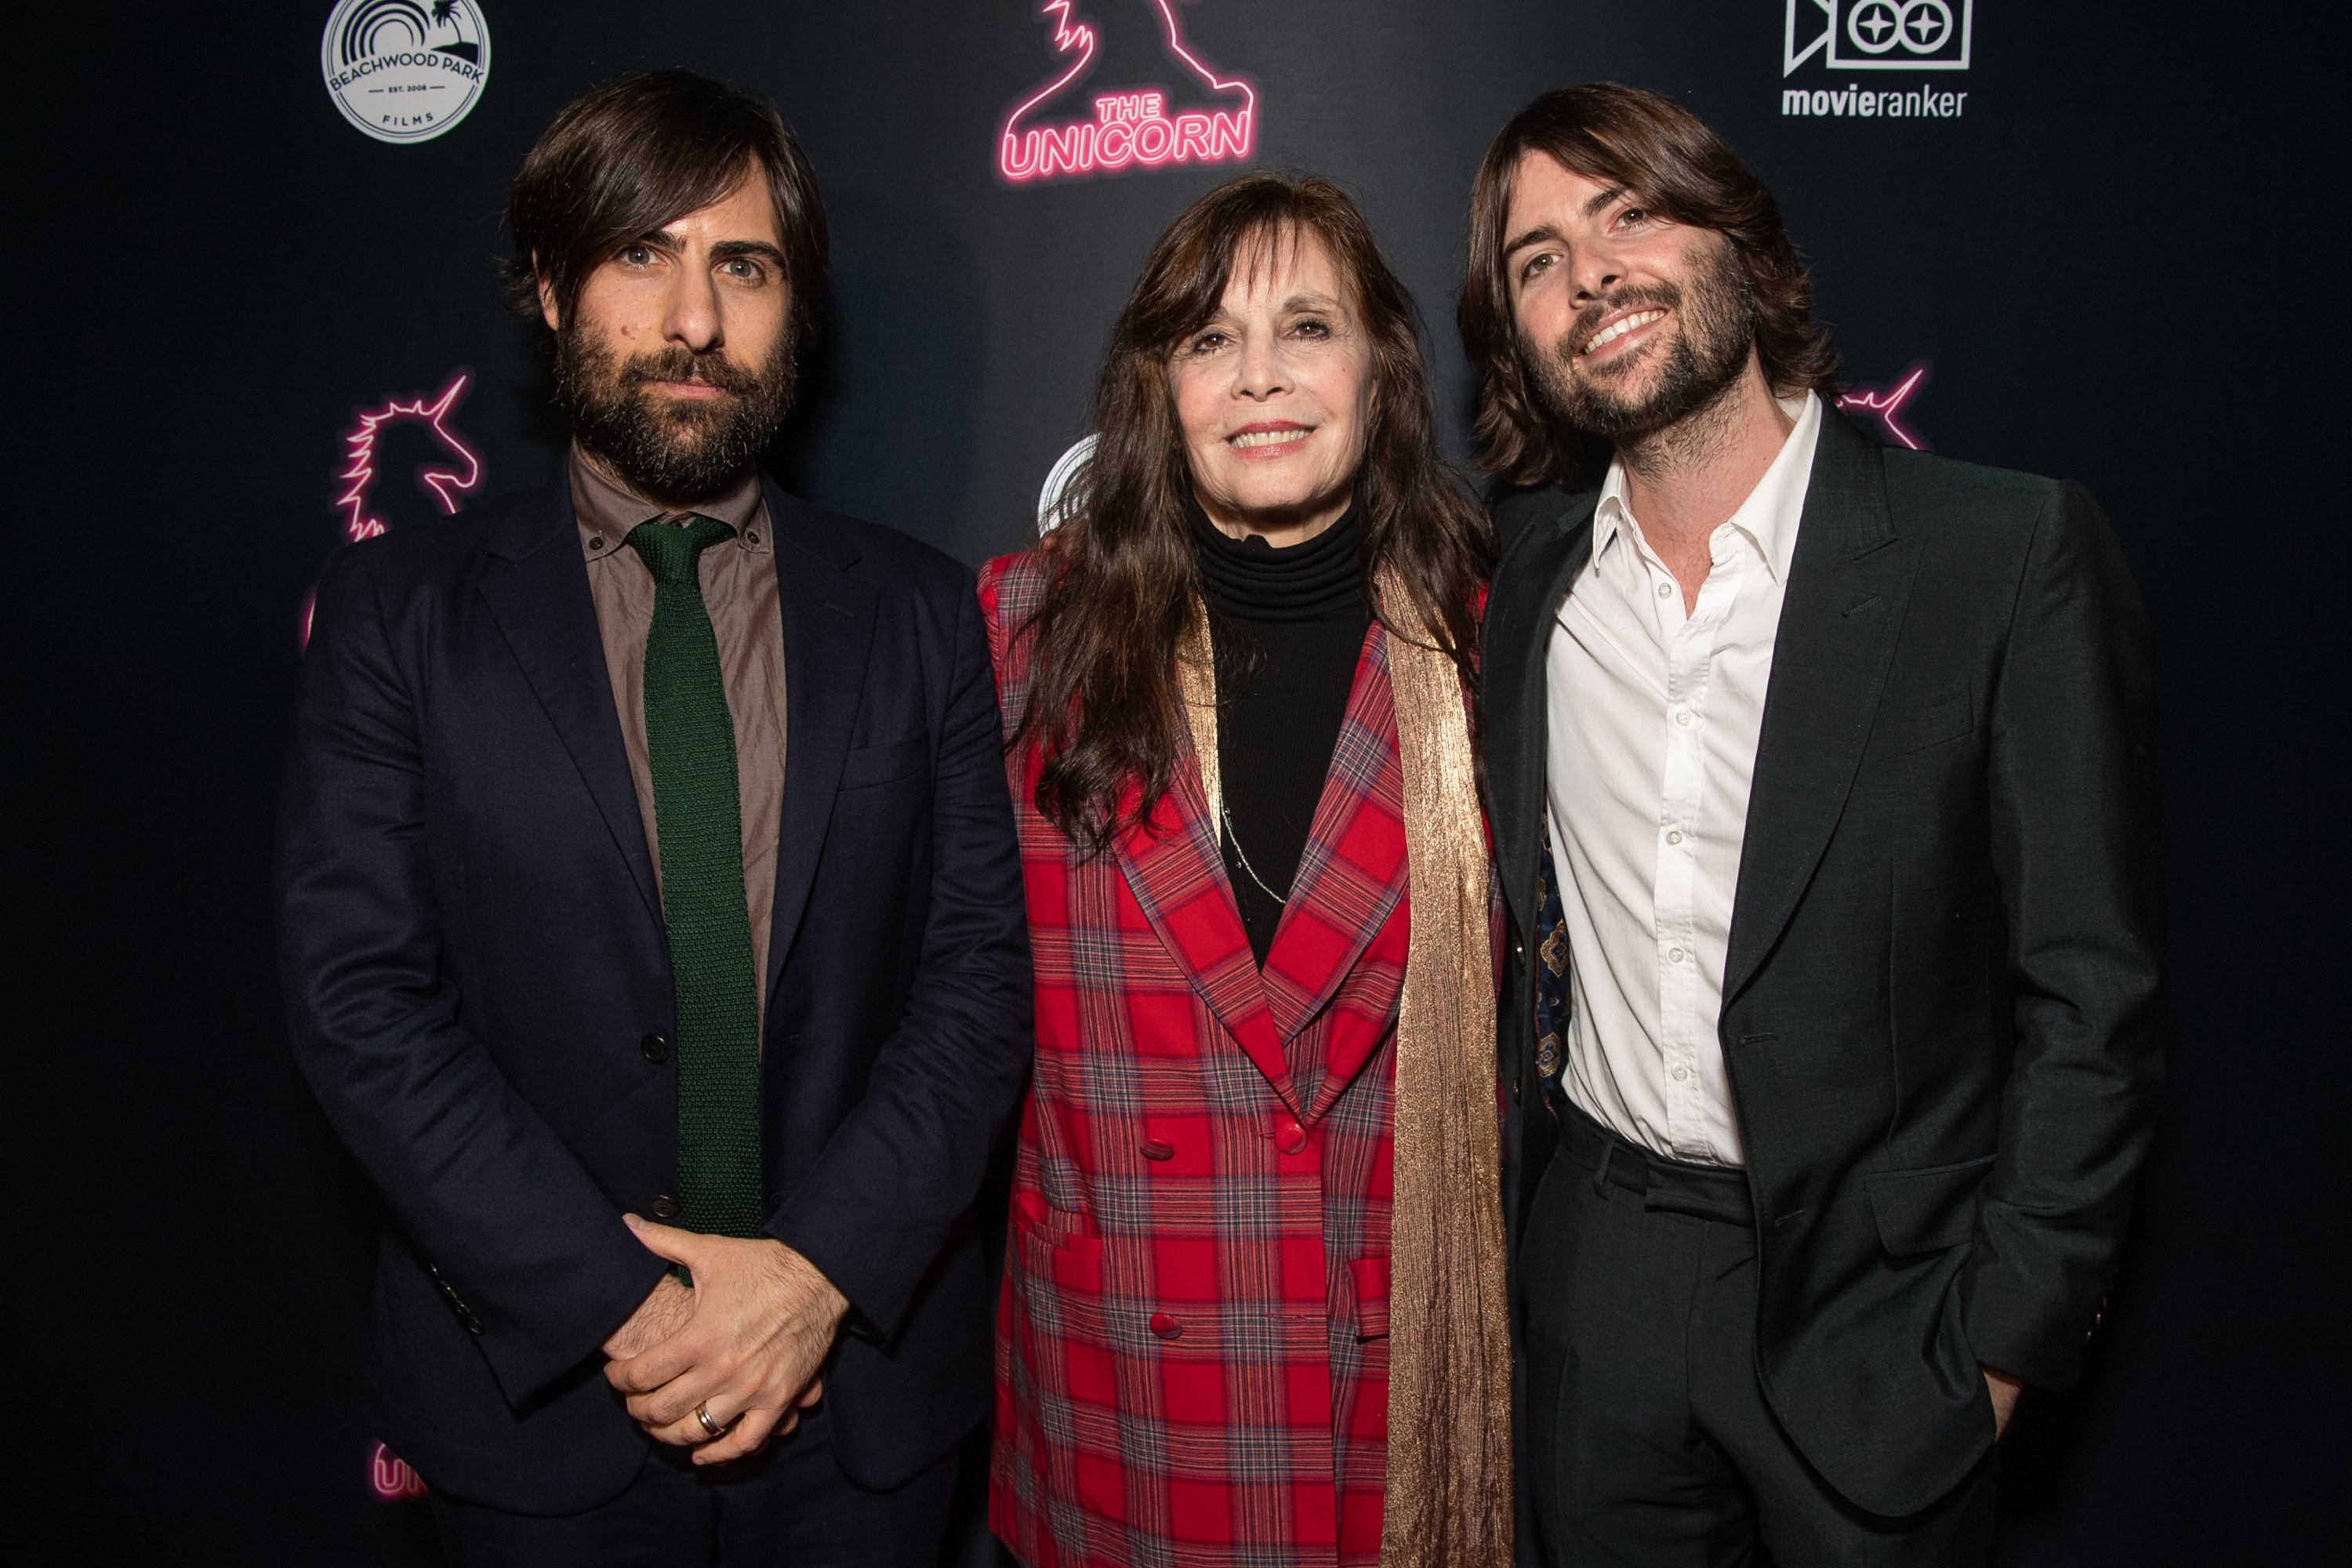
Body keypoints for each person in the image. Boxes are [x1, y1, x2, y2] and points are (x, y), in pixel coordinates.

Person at [276, 71, 1032, 1566]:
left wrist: (815, 1279)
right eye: (642, 255)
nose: (694, 320)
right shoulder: (399, 617)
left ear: (792, 314)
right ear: (554, 292)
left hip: (862, 1415)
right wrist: (628, 1312)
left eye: (741, 267)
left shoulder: (925, 614)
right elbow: (360, 1001)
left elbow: (977, 982)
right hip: (540, 1413)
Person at [1459, 85, 2165, 1564]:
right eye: (1535, 258)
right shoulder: (1524, 583)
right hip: (1601, 1282)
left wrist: (2001, 1349)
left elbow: (2091, 993)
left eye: (1629, 211)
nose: (1587, 273)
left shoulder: (2001, 553)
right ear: (1516, 333)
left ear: (1740, 235)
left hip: (1886, 1310)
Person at [981, 176, 1511, 1568]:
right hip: (1128, 1386)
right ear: (1157, 386)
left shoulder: (1495, 656)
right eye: (1209, 338)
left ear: (1381, 369)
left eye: (1308, 327)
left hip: (1393, 1377)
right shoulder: (1020, 641)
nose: (1261, 376)